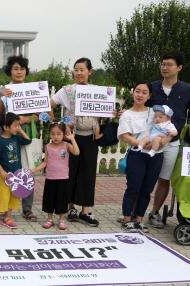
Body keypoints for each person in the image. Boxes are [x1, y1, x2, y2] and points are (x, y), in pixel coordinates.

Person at [49, 57, 114, 227]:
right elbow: (49, 105)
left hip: (91, 138)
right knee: (69, 172)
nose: (78, 73)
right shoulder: (67, 90)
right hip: (71, 138)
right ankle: (70, 208)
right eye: (76, 69)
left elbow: (106, 113)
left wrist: (110, 112)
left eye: (82, 70)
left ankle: (85, 212)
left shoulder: (98, 91)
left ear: (90, 72)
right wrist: (60, 126)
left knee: (88, 174)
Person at [145, 50, 190, 228]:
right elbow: (141, 109)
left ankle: (154, 213)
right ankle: (133, 212)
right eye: (163, 64)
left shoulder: (186, 90)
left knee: (164, 179)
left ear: (179, 67)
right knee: (143, 177)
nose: (165, 67)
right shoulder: (152, 87)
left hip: (172, 143)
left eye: (169, 64)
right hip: (149, 141)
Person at [0, 55, 39, 222]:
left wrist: (24, 120)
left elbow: (39, 116)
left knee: (27, 171)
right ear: (9, 71)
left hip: (25, 136)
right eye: (15, 69)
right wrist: (1, 98)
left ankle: (27, 208)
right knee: (8, 171)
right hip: (7, 139)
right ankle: (5, 209)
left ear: (26, 71)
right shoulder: (4, 89)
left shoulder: (32, 90)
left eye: (22, 69)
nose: (19, 72)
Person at [118, 81, 164, 232]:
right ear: (133, 92)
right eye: (138, 91)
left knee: (147, 189)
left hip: (155, 156)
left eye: (144, 92)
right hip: (137, 155)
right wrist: (141, 144)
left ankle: (139, 220)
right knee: (133, 188)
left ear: (149, 96)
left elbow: (165, 129)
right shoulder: (126, 114)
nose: (140, 95)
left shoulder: (155, 113)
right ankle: (126, 220)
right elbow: (124, 136)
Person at [31, 122, 80, 230]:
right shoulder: (48, 146)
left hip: (63, 178)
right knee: (50, 199)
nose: (56, 136)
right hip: (50, 178)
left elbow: (76, 152)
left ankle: (61, 220)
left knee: (62, 199)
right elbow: (45, 162)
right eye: (53, 134)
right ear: (49, 134)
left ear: (64, 134)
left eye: (58, 133)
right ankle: (50, 219)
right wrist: (35, 169)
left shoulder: (67, 145)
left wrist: (72, 139)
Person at [0, 112, 31, 230]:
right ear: (5, 127)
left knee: (14, 197)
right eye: (15, 125)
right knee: (2, 197)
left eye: (19, 125)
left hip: (17, 176)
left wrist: (20, 130)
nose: (18, 128)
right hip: (5, 176)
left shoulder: (16, 139)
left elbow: (28, 140)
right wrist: (2, 171)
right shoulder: (0, 141)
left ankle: (7, 218)